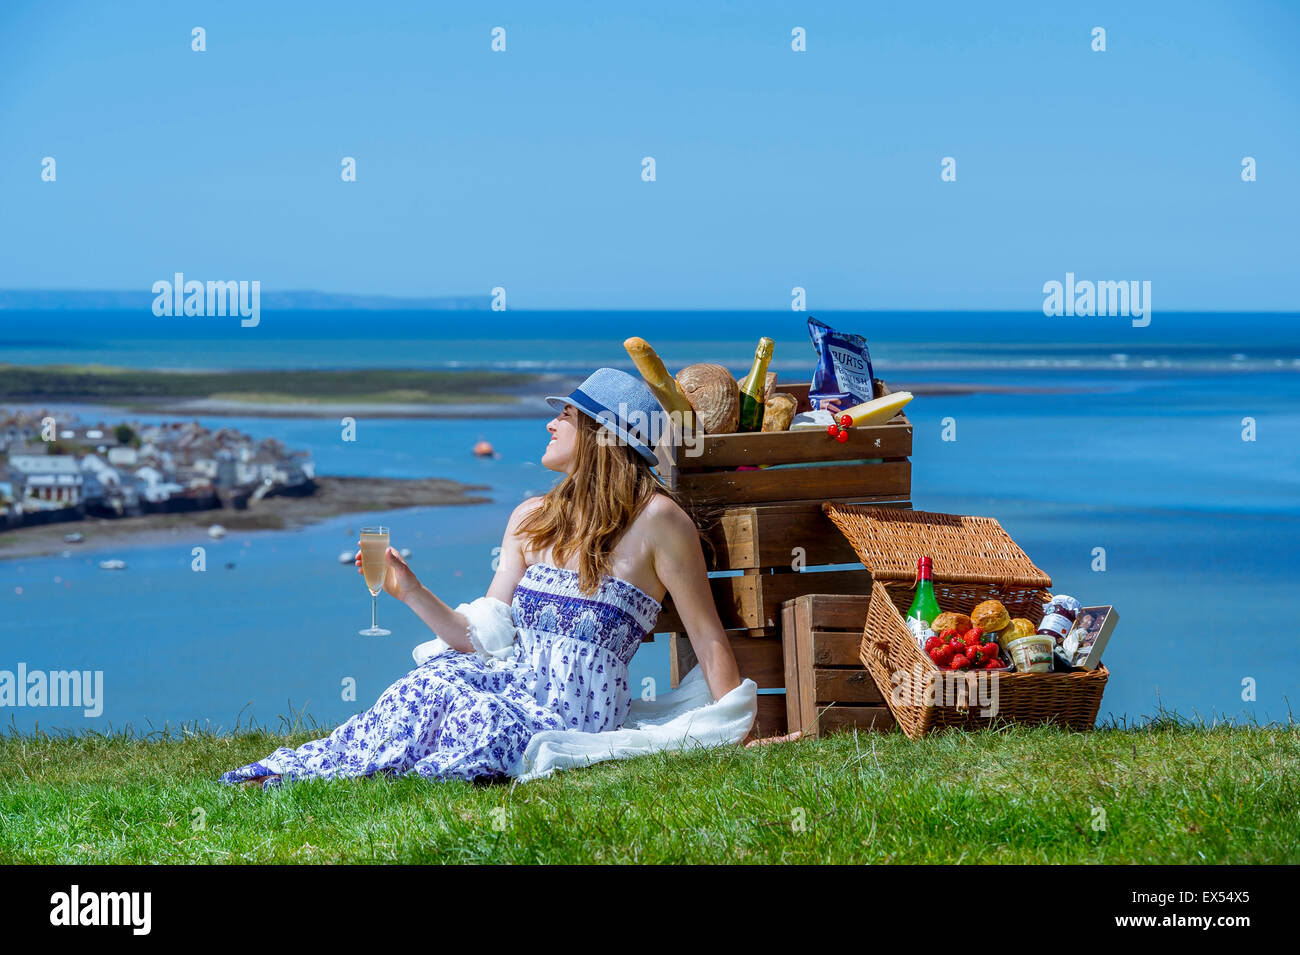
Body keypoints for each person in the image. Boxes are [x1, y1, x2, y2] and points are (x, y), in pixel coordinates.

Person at [220, 368, 744, 788]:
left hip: (576, 711)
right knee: (429, 684)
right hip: (515, 681)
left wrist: (742, 726)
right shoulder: (531, 518)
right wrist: (410, 590)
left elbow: (706, 634)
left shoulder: (660, 522)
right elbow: (483, 638)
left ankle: (366, 775)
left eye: (565, 414)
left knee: (477, 715)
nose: (550, 424)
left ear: (602, 434)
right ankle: (302, 774)